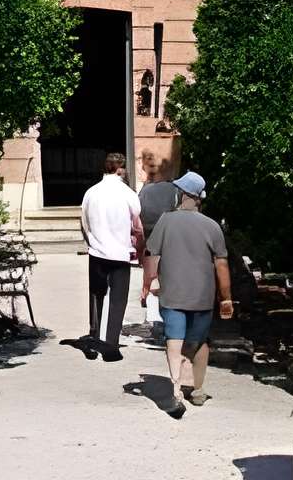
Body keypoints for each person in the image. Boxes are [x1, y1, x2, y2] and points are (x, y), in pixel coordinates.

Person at [139, 170, 230, 416]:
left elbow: (151, 254)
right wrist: (227, 298)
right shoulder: (212, 226)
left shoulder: (165, 221)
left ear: (184, 194)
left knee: (174, 339)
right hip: (203, 296)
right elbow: (222, 265)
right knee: (199, 343)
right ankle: (197, 390)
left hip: (172, 293)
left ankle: (176, 388)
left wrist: (149, 283)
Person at [76, 153, 138, 361]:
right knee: (118, 300)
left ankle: (94, 337)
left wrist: (92, 241)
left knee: (96, 295)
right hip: (120, 254)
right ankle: (111, 342)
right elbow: (136, 222)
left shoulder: (90, 193)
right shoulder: (128, 193)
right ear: (121, 170)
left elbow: (83, 223)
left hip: (97, 252)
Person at [136, 154, 183, 348]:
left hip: (150, 231)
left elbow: (139, 211)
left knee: (151, 264)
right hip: (170, 234)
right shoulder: (175, 190)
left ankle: (147, 288)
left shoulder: (145, 190)